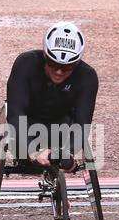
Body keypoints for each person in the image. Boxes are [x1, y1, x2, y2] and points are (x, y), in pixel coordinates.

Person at [6, 21, 99, 172]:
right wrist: (32, 151)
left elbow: (83, 123)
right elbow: (16, 113)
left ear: (76, 63)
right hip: (25, 129)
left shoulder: (87, 76)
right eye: (53, 64)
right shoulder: (25, 63)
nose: (59, 72)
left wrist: (68, 153)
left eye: (67, 67)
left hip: (61, 131)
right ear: (45, 55)